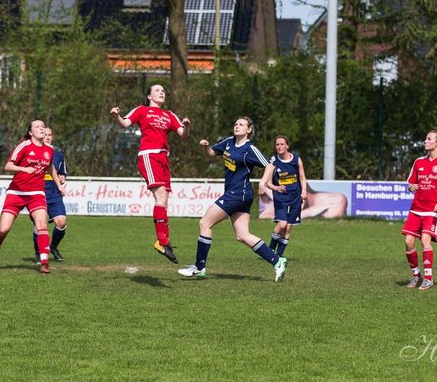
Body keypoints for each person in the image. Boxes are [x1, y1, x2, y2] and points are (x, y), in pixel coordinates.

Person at [177, 116, 287, 281]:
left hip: (238, 194)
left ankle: (199, 267)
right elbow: (211, 154)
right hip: (237, 194)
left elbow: (270, 164)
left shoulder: (249, 149)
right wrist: (206, 147)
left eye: (241, 124)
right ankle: (277, 261)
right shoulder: (228, 142)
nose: (237, 126)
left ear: (249, 130)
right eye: (236, 123)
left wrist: (263, 183)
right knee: (242, 235)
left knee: (204, 223)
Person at [111, 84, 189, 264]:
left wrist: (187, 126)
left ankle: (163, 242)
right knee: (161, 198)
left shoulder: (169, 115)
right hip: (149, 155)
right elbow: (124, 123)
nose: (162, 92)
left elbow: (183, 134)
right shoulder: (142, 110)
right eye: (157, 90)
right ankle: (163, 242)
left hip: (163, 158)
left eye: (163, 90)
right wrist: (116, 116)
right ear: (149, 96)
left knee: (164, 200)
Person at [0, 119, 63, 274]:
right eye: (37, 127)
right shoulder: (24, 146)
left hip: (36, 193)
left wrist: (59, 186)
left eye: (43, 126)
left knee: (42, 224)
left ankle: (44, 262)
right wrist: (24, 170)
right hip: (16, 192)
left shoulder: (49, 150)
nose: (41, 128)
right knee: (4, 229)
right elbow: (8, 166)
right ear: (31, 132)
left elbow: (50, 167)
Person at [402, 130, 437, 290]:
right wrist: (410, 187)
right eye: (425, 138)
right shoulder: (419, 162)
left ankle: (428, 278)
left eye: (429, 139)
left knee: (425, 240)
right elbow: (410, 183)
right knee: (408, 241)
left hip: (432, 210)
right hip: (416, 208)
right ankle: (416, 276)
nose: (425, 141)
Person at [264, 135, 306, 260]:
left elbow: (303, 178)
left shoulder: (296, 160)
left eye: (282, 144)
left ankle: (279, 255)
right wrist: (276, 188)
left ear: (287, 145)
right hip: (281, 198)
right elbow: (268, 182)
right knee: (282, 225)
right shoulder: (273, 162)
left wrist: (304, 191)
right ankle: (270, 250)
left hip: (295, 198)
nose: (279, 146)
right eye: (277, 144)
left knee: (288, 228)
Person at [34, 126, 69, 262]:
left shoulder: (59, 155)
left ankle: (53, 247)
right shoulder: (35, 152)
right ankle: (38, 252)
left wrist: (62, 178)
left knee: (61, 222)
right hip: (38, 193)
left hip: (54, 194)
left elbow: (62, 173)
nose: (47, 137)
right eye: (45, 134)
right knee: (39, 225)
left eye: (49, 134)